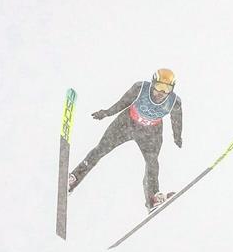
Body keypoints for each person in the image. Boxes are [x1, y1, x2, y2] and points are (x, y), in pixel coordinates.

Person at [68, 68, 183, 212]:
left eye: (167, 89)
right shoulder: (140, 88)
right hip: (127, 123)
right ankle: (73, 179)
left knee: (152, 163)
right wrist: (107, 113)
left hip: (151, 133)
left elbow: (176, 120)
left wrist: (177, 137)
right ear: (152, 83)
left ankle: (152, 198)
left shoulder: (174, 102)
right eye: (159, 86)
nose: (161, 92)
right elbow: (123, 102)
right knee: (100, 150)